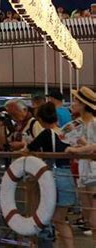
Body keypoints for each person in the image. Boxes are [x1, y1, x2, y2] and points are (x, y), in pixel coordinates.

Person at [25, 102, 76, 247]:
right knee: (60, 219)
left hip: (52, 178)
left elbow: (28, 148)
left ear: (40, 119)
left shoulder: (46, 133)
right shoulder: (64, 133)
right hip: (67, 177)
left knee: (48, 217)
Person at [66, 87, 96, 239]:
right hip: (83, 170)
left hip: (93, 170)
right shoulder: (80, 124)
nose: (73, 103)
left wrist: (78, 149)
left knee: (93, 214)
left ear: (83, 104)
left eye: (76, 101)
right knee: (87, 210)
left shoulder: (94, 123)